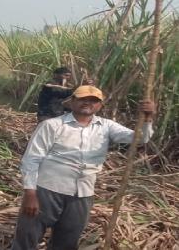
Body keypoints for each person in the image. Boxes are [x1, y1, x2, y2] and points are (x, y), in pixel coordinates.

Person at [12, 85, 155, 250]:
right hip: (47, 190)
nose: (88, 103)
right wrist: (30, 193)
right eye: (83, 99)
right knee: (27, 239)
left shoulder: (106, 126)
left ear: (100, 105)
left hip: (82, 194)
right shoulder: (52, 125)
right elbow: (31, 159)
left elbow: (140, 138)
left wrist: (148, 117)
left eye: (94, 101)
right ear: (72, 101)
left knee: (67, 242)